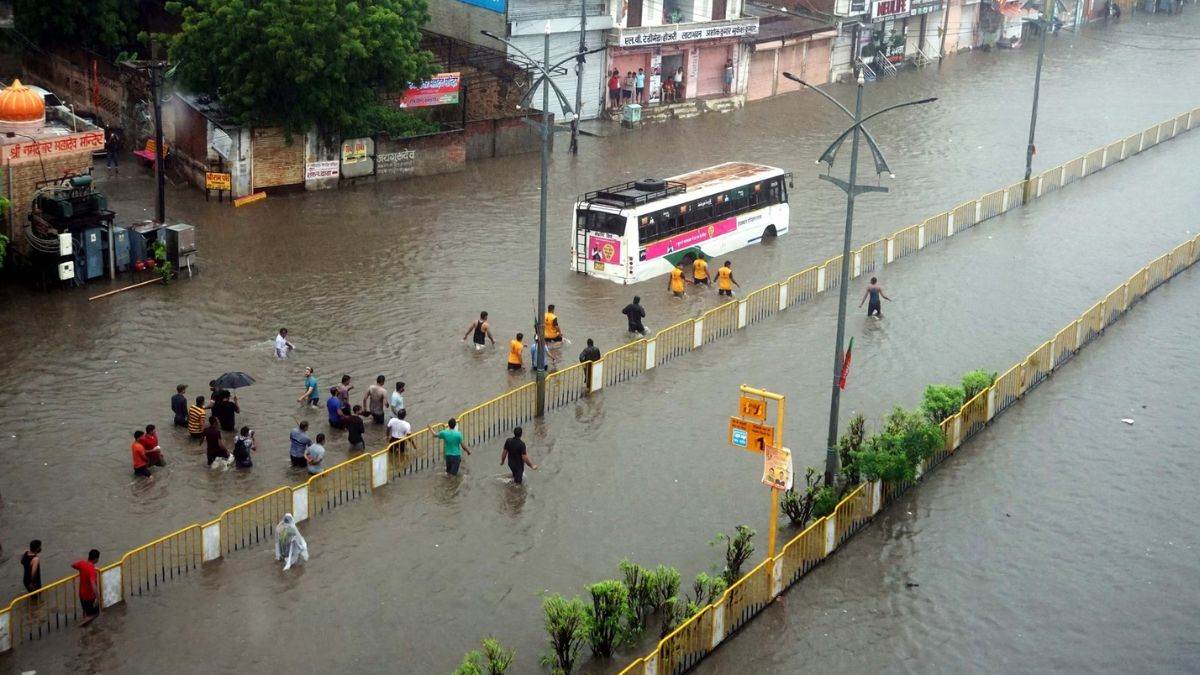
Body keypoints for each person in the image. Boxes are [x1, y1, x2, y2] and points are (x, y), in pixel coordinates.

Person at [71, 549, 101, 625]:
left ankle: (86, 628)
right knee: (95, 614)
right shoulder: (92, 570)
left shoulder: (82, 563)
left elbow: (73, 565)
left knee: (86, 612)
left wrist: (81, 570)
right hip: (90, 597)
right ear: (96, 559)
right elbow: (93, 584)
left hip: (81, 595)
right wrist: (97, 597)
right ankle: (81, 626)